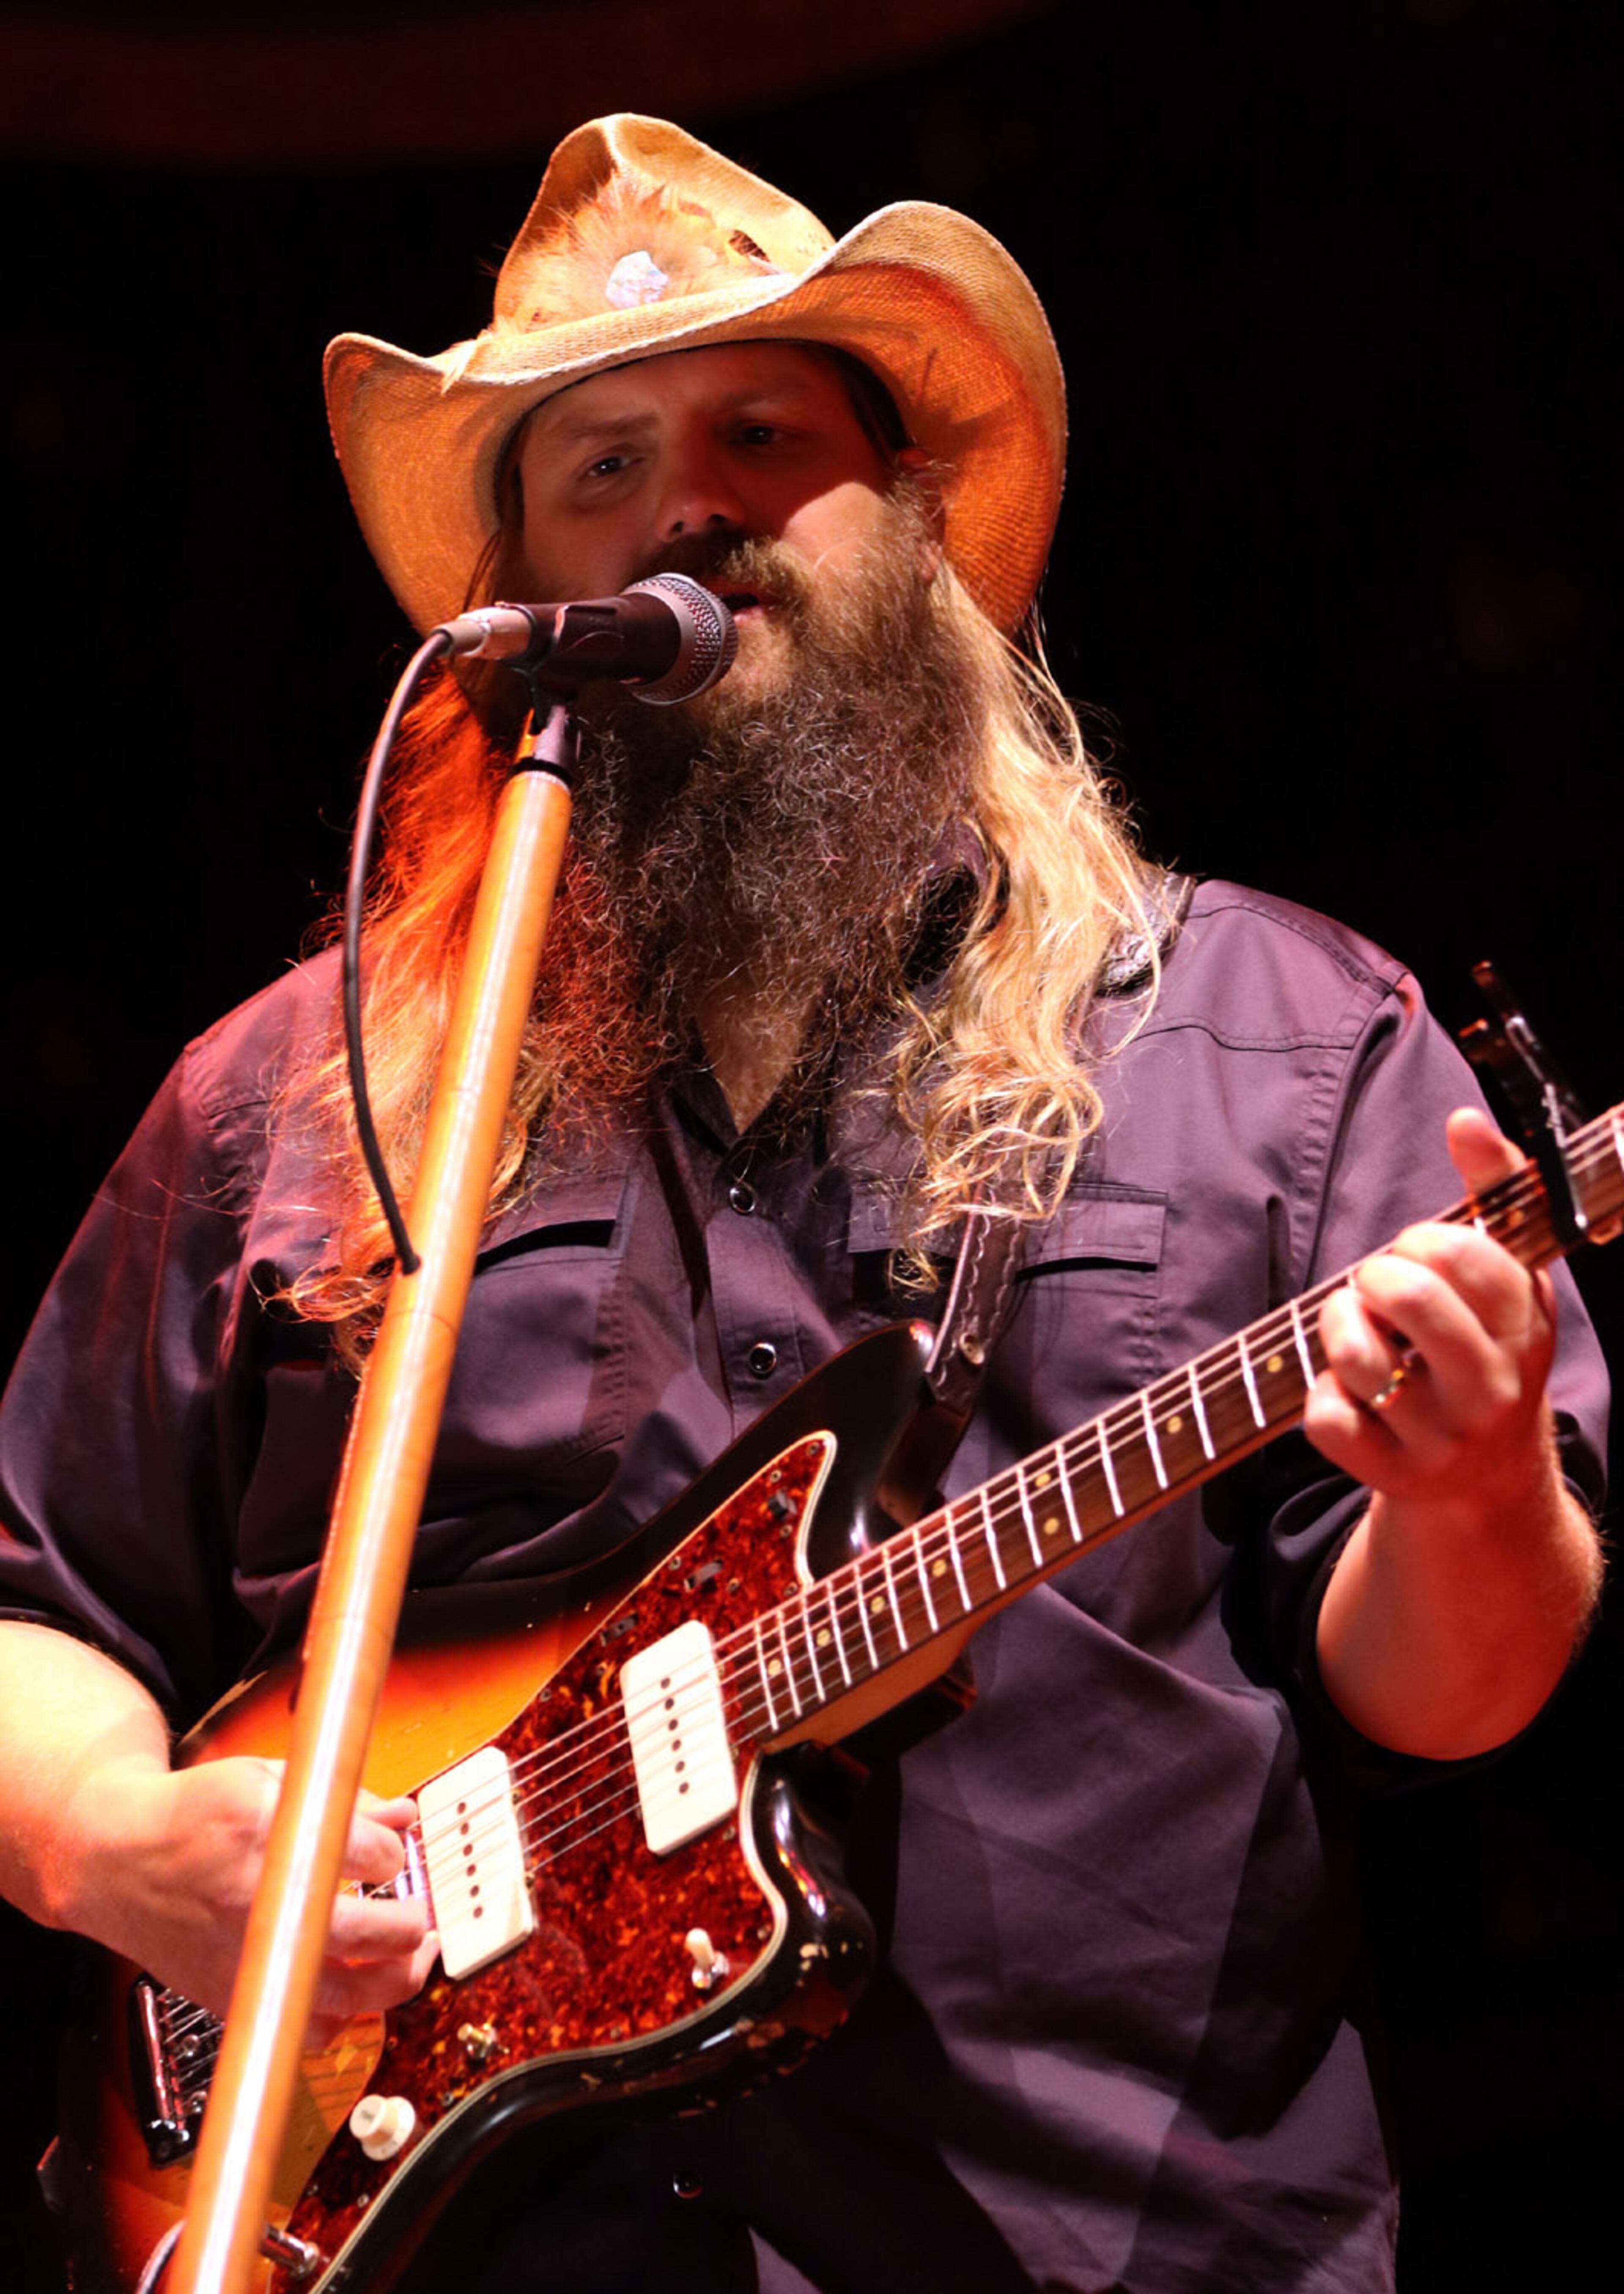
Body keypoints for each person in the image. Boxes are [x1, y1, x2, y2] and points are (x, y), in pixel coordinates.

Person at [0, 114, 1607, 2294]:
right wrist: (110, 1839)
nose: (690, 506)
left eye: (767, 434)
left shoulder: (1270, 1040)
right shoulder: (291, 1097)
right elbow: (39, 1621)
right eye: (601, 468)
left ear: (917, 530)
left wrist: (1478, 1475)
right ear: (515, 608)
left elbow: (1452, 1692)